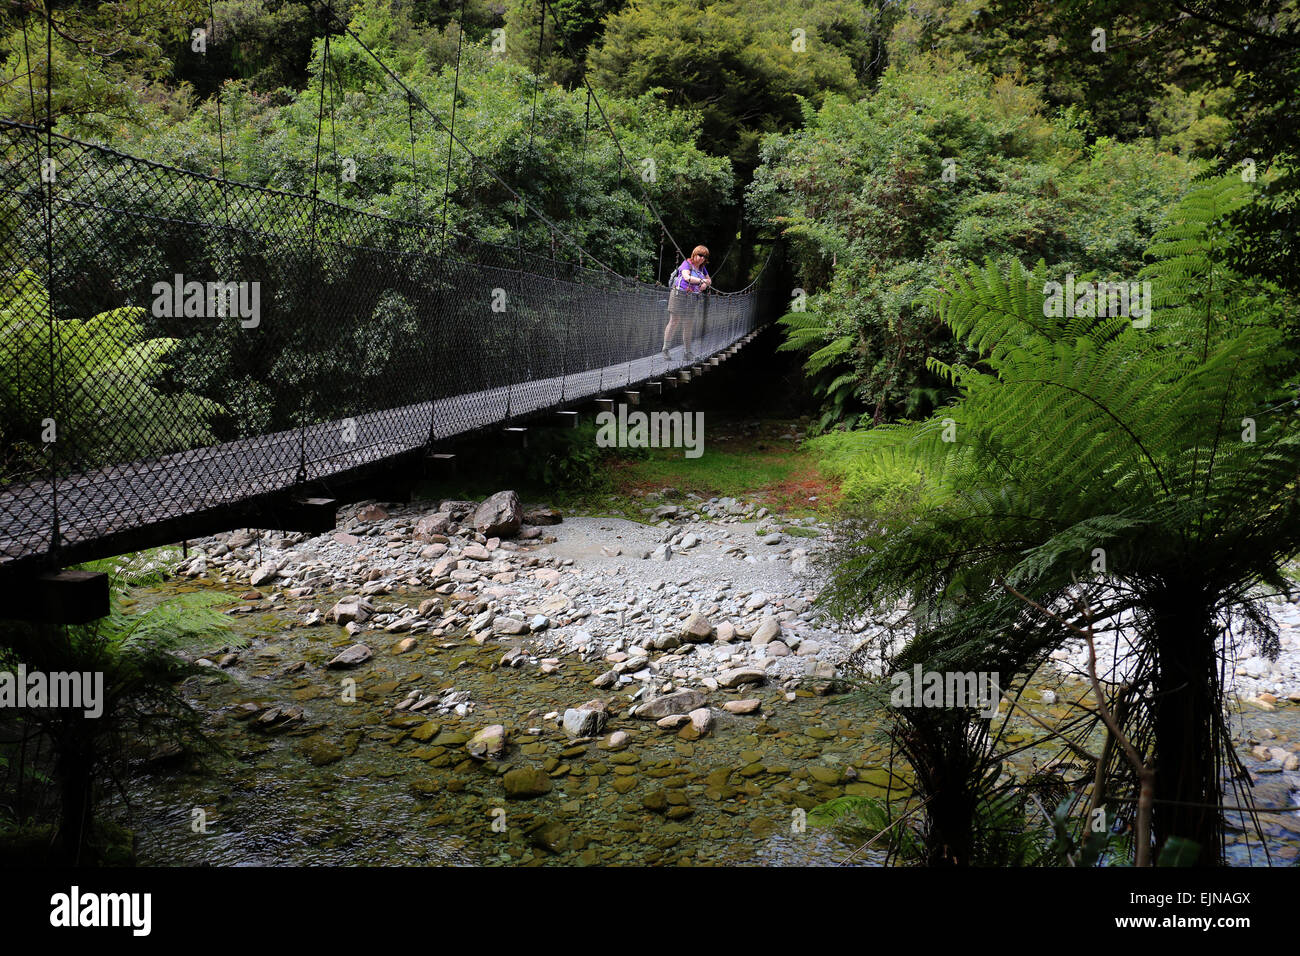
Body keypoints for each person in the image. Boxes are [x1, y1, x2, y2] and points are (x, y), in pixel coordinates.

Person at [663, 245, 711, 360]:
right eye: (700, 255)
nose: (702, 258)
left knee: (688, 324)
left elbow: (709, 280)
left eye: (704, 257)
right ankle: (665, 349)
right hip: (679, 294)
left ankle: (687, 353)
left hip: (692, 297)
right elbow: (686, 277)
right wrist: (702, 281)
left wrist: (705, 284)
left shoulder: (702, 268)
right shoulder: (687, 263)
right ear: (694, 254)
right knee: (674, 321)